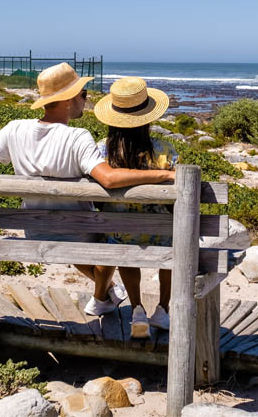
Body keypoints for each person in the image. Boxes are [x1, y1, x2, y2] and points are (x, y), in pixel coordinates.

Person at [0, 63, 175, 316]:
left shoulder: (14, 129)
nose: (85, 100)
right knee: (110, 239)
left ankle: (106, 296)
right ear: (67, 100)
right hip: (79, 233)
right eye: (83, 95)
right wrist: (164, 174)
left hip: (35, 231)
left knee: (107, 235)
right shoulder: (77, 137)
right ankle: (104, 296)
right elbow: (107, 179)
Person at [93, 76, 176, 339]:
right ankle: (163, 309)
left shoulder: (100, 152)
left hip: (119, 234)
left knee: (121, 241)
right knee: (176, 236)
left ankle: (137, 308)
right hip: (163, 235)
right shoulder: (164, 150)